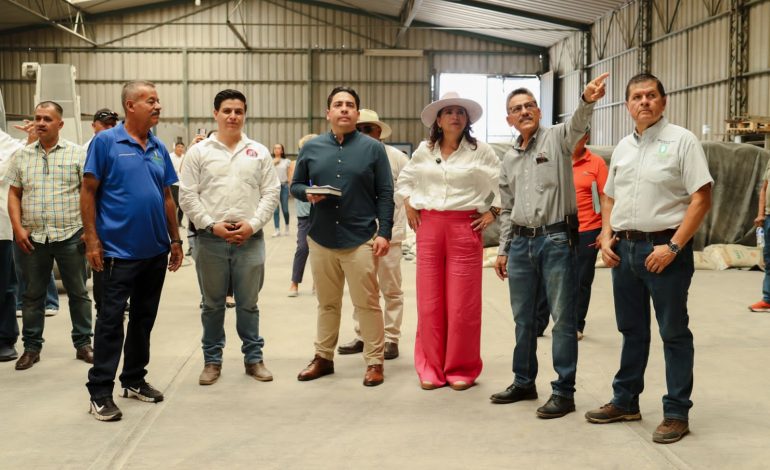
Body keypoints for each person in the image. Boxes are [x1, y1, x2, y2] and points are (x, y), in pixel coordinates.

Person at [585, 73, 712, 444]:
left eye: (651, 95)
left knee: (673, 332)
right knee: (632, 331)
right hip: (625, 252)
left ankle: (676, 412)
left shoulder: (682, 141)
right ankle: (626, 400)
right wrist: (607, 235)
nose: (644, 102)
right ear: (626, 106)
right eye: (637, 97)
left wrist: (673, 247)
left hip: (664, 252)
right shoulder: (623, 147)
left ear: (663, 101)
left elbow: (701, 198)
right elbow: (608, 196)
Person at [490, 73, 609, 418]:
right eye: (516, 108)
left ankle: (564, 392)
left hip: (557, 240)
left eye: (529, 106)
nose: (524, 111)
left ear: (539, 112)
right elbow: (508, 207)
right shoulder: (509, 158)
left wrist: (587, 100)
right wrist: (502, 250)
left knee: (562, 320)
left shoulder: (558, 139)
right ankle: (524, 381)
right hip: (522, 245)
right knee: (524, 319)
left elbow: (577, 123)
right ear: (508, 119)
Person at [82, 80, 183, 422]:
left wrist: (175, 239)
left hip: (154, 252)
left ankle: (134, 379)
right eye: (150, 101)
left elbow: (167, 196)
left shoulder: (157, 146)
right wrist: (92, 240)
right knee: (110, 322)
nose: (157, 106)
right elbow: (88, 192)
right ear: (130, 105)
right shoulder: (106, 142)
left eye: (158, 101)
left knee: (143, 320)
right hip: (116, 253)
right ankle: (99, 392)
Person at [395, 93, 500, 390]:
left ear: (467, 120)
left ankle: (461, 367)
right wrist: (409, 204)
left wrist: (492, 209)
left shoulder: (481, 151)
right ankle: (430, 366)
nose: (455, 116)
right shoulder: (424, 151)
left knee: (462, 305)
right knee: (429, 303)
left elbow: (499, 183)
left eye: (461, 112)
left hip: (464, 227)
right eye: (449, 112)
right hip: (429, 227)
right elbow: (405, 181)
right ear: (438, 120)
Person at [291, 86, 394, 387]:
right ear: (329, 113)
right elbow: (296, 185)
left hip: (360, 237)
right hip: (321, 237)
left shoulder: (373, 149)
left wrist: (384, 232)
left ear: (357, 114)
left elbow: (385, 193)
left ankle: (374, 361)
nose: (344, 109)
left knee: (368, 303)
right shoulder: (312, 148)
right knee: (327, 303)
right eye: (338, 104)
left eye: (350, 105)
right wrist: (307, 192)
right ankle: (323, 357)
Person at [179, 89, 280, 386]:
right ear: (215, 114)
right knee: (212, 304)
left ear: (244, 114)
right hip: (211, 240)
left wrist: (253, 224)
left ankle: (253, 359)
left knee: (249, 303)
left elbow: (271, 193)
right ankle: (212, 360)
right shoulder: (199, 153)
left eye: (238, 111)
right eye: (227, 111)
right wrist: (211, 225)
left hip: (250, 239)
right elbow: (187, 195)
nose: (233, 116)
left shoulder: (258, 152)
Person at [6, 101, 94, 370]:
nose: (41, 123)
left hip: (70, 235)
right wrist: (18, 228)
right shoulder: (22, 156)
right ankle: (31, 348)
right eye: (38, 118)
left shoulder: (77, 154)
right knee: (32, 295)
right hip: (33, 238)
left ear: (60, 124)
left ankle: (83, 344)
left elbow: (88, 194)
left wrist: (89, 232)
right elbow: (14, 193)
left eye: (47, 119)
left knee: (78, 293)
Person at [338, 109, 409, 361]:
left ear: (379, 131)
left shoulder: (397, 158)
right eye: (359, 129)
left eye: (368, 129)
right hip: (358, 233)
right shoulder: (346, 156)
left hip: (390, 234)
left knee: (390, 288)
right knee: (362, 289)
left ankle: (391, 338)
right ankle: (364, 335)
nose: (364, 134)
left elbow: (410, 190)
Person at [534, 133, 608, 339]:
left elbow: (606, 196)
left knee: (581, 280)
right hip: (556, 229)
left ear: (586, 137)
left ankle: (576, 324)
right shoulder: (554, 159)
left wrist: (605, 230)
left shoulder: (596, 163)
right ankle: (538, 323)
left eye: (579, 134)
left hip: (587, 229)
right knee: (547, 278)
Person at [0, 125, 34, 362]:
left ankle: (5, 338)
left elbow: (25, 153)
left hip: (0, 229)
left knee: (3, 286)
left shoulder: (5, 143)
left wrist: (31, 139)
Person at [84, 108, 120, 316]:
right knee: (101, 268)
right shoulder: (86, 150)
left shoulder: (117, 146)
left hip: (115, 219)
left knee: (120, 267)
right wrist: (87, 229)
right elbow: (83, 192)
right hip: (97, 221)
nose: (108, 128)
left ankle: (119, 304)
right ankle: (102, 309)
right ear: (94, 125)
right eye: (104, 124)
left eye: (112, 125)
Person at [288, 134, 317, 298]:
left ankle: (316, 282)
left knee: (320, 250)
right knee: (302, 247)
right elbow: (294, 184)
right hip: (304, 213)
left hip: (321, 211)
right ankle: (294, 282)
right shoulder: (296, 164)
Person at [749, 157, 770, 312]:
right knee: (769, 259)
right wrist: (760, 214)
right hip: (769, 217)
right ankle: (768, 299)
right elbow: (764, 188)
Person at [272, 143, 291, 237]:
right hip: (274, 188)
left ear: (282, 150)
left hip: (284, 187)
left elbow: (289, 175)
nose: (276, 150)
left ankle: (287, 227)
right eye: (275, 148)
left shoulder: (287, 161)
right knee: (275, 210)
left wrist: (290, 187)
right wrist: (273, 163)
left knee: (285, 209)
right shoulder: (270, 161)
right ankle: (277, 229)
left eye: (279, 148)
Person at [170, 141, 185, 225]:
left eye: (182, 147)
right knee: (174, 204)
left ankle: (179, 222)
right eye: (178, 147)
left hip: (183, 185)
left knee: (182, 205)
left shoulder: (185, 157)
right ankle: (172, 222)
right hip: (174, 184)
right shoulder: (170, 156)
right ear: (175, 148)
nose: (180, 148)